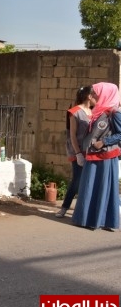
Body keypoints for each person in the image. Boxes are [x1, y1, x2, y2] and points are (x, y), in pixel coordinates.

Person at [71, 82, 121, 231]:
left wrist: (104, 142)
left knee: (103, 187)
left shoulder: (114, 112)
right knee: (89, 186)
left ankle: (103, 220)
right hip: (93, 155)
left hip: (105, 157)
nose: (93, 96)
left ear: (105, 94)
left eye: (95, 93)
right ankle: (86, 219)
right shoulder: (99, 111)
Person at [56, 86, 94, 218]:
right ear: (89, 96)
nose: (97, 97)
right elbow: (72, 135)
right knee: (77, 180)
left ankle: (85, 209)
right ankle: (64, 207)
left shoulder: (93, 111)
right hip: (78, 150)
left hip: (91, 150)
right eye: (94, 95)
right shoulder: (75, 111)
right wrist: (78, 154)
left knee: (89, 180)